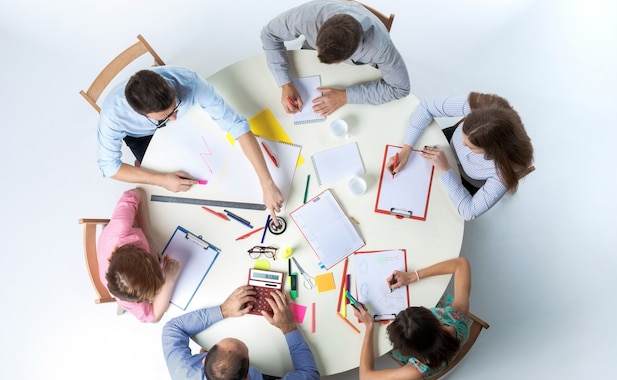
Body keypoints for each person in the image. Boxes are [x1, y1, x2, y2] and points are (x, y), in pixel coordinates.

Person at [97, 66, 283, 223]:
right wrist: (161, 180)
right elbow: (109, 167)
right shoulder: (112, 116)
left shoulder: (189, 81)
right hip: (142, 137)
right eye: (164, 118)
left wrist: (267, 183)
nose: (174, 118)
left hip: (190, 124)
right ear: (143, 115)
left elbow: (237, 125)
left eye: (175, 107)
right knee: (178, 191)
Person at [162, 286, 320, 380]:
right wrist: (289, 327)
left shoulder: (180, 369)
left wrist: (224, 310)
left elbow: (172, 328)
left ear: (204, 359)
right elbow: (309, 375)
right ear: (247, 376)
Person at [387, 93, 534, 220]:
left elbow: (469, 211)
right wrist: (406, 149)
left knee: (423, 206)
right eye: (463, 136)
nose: (463, 145)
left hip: (463, 181)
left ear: (493, 151)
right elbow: (426, 107)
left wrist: (445, 170)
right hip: (443, 144)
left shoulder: (505, 170)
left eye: (470, 146)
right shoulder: (481, 106)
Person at [260, 0, 410, 116]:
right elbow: (269, 34)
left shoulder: (380, 48)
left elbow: (400, 88)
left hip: (355, 75)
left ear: (350, 55)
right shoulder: (307, 17)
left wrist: (346, 96)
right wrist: (285, 83)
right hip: (307, 61)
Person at [353, 257, 472, 380]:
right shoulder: (457, 318)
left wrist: (369, 326)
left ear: (404, 350)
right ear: (433, 319)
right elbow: (461, 263)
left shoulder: (416, 371)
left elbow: (366, 377)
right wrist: (412, 276)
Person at [97, 188, 181, 323]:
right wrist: (169, 280)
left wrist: (149, 237)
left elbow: (137, 192)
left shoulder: (122, 227)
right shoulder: (125, 293)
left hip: (112, 239)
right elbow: (152, 317)